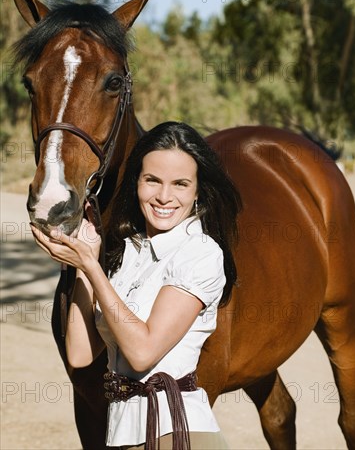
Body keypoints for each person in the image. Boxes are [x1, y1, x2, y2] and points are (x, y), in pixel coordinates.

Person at [31, 121, 242, 450]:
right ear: (137, 183)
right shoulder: (129, 251)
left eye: (180, 184)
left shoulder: (200, 253)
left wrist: (91, 267)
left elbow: (142, 352)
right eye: (152, 180)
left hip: (180, 435)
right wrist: (86, 263)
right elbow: (80, 353)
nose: (164, 196)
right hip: (122, 435)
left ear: (198, 190)